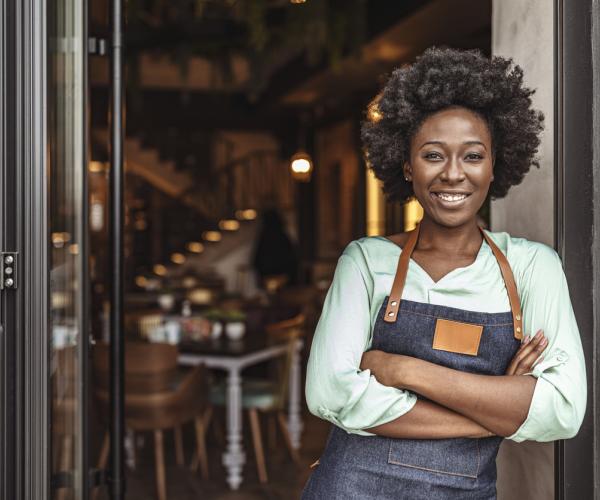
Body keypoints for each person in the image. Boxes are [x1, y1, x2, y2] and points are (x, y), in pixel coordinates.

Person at [301, 47, 586, 499]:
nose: (453, 174)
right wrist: (498, 409)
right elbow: (330, 393)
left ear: (495, 166)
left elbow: (563, 411)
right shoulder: (365, 262)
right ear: (406, 166)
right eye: (433, 155)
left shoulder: (533, 266)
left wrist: (402, 369)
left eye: (472, 156)